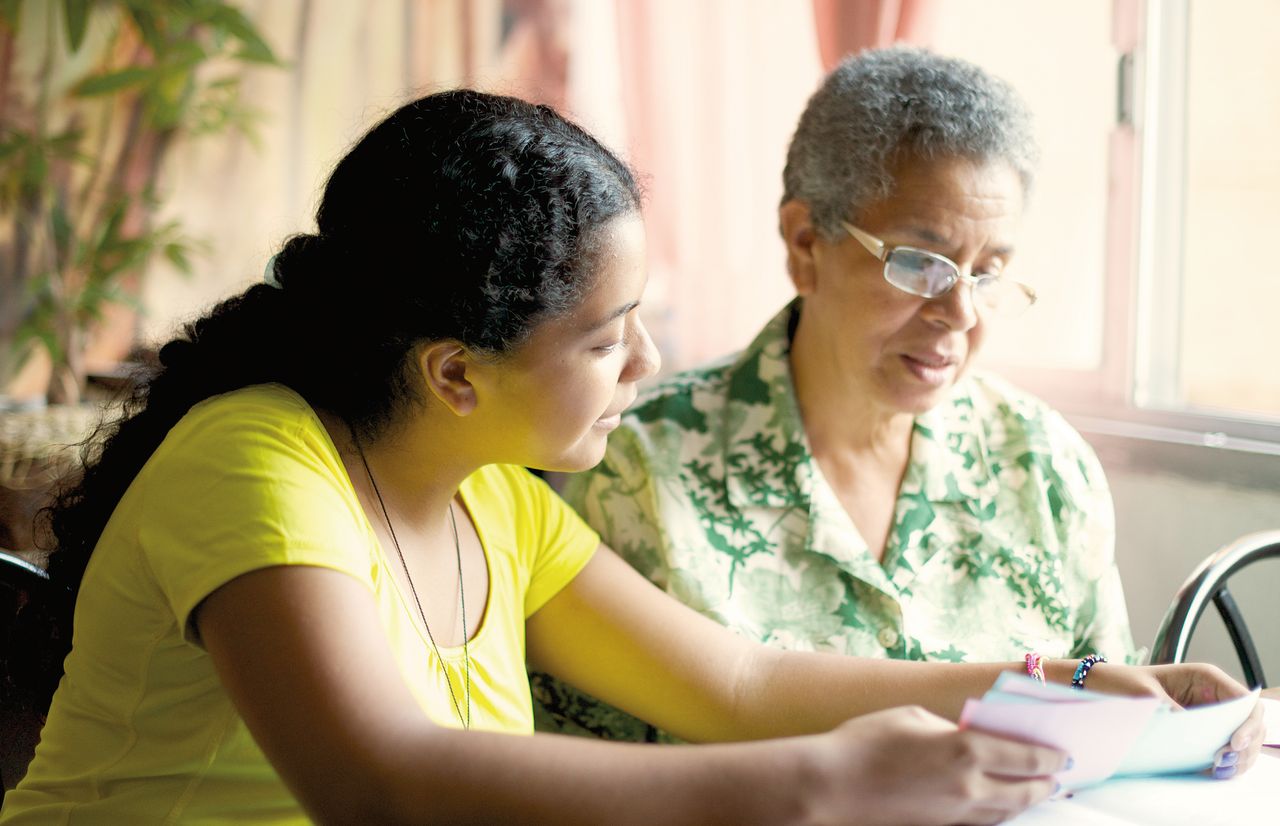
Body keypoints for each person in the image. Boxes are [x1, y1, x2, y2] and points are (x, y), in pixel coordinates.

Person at [0, 89, 1261, 826]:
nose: (650, 360)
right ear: (454, 372)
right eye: (607, 337)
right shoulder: (256, 460)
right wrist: (823, 783)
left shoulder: (493, 497)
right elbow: (381, 782)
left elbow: (738, 683)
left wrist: (1072, 677)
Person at [531, 45, 1222, 743]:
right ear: (805, 244)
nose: (961, 314)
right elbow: (589, 779)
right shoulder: (633, 470)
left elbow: (1108, 704)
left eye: (989, 272)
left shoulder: (1044, 467)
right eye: (923, 265)